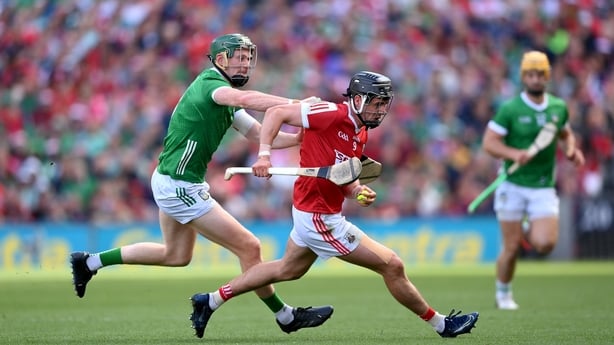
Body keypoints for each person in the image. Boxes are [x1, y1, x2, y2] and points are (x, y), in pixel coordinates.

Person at [69, 33, 333, 338]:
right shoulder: (214, 87)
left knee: (176, 256)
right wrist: (297, 106)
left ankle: (89, 261)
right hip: (180, 186)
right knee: (250, 247)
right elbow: (246, 99)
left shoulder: (227, 98)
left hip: (171, 180)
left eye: (249, 58)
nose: (246, 64)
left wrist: (298, 137)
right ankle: (285, 316)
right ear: (221, 60)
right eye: (240, 58)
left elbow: (259, 133)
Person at [189, 71, 479, 338]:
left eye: (384, 104)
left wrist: (357, 191)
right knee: (392, 265)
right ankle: (442, 325)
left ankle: (211, 300)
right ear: (356, 99)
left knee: (288, 269)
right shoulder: (330, 113)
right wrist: (264, 155)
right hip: (319, 216)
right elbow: (276, 112)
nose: (380, 110)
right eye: (375, 103)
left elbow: (343, 176)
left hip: (312, 210)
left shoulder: (360, 132)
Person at [480, 51, 585, 310]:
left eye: (541, 74)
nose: (536, 79)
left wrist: (571, 149)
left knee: (545, 244)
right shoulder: (510, 109)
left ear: (547, 77)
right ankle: (503, 294)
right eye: (531, 74)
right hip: (512, 184)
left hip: (542, 185)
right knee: (512, 246)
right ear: (524, 76)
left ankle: (528, 224)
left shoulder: (558, 108)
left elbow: (565, 134)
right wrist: (514, 153)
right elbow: (489, 144)